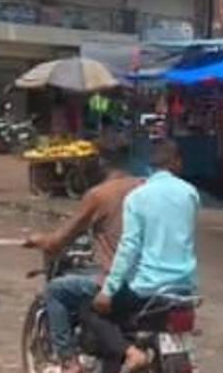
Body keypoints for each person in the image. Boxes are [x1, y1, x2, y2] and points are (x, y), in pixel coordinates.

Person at [23, 149, 144, 373]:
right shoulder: (146, 188)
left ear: (102, 165)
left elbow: (59, 240)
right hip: (155, 280)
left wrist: (40, 240)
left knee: (55, 290)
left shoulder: (99, 195)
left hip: (121, 281)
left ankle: (69, 361)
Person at [86, 139, 199, 372]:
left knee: (90, 310)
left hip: (147, 291)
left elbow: (129, 247)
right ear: (176, 163)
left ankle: (131, 353)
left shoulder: (138, 197)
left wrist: (108, 291)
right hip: (183, 290)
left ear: (151, 165)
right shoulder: (190, 194)